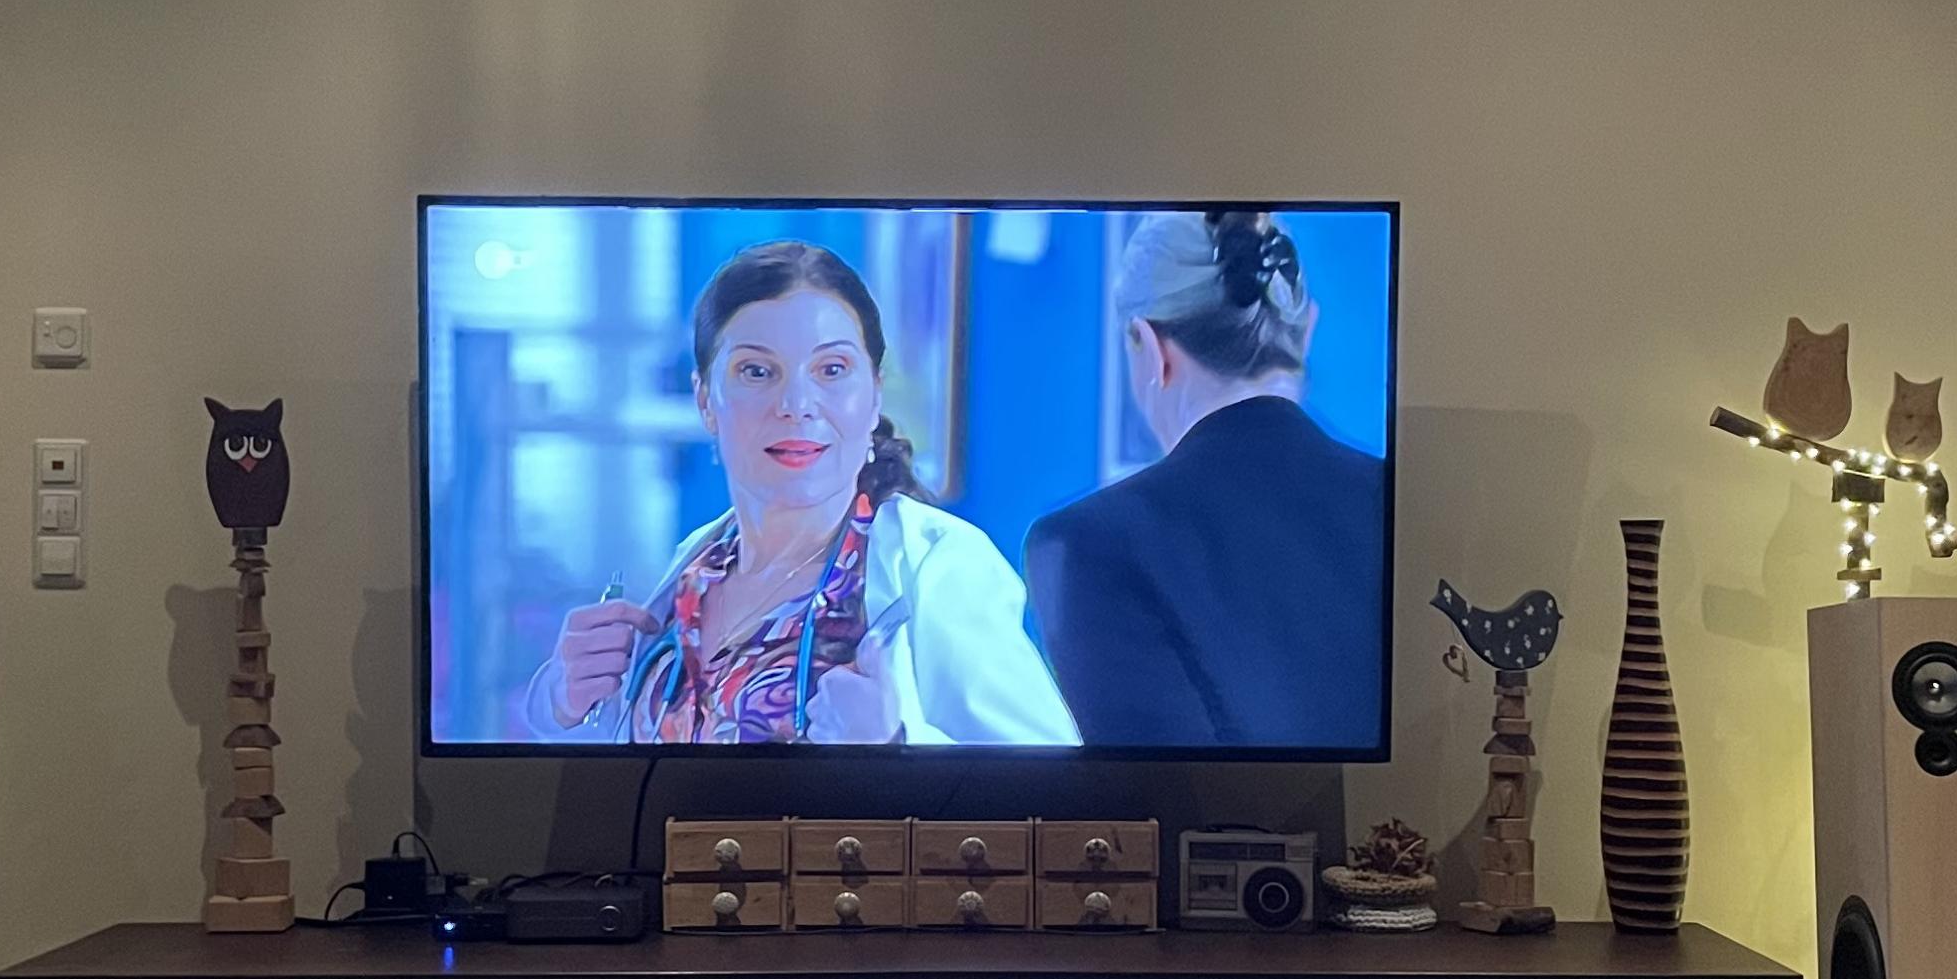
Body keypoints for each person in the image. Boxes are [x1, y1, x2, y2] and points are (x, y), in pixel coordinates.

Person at [521, 241, 1076, 746]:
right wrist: (562, 702)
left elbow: (1052, 793)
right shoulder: (696, 568)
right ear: (706, 400)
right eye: (757, 372)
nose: (796, 405)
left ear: (874, 395)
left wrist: (896, 748)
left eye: (831, 369)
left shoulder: (936, 564)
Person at [1025, 208, 1387, 747]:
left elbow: (1161, 788)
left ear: (1150, 349)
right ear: (1306, 329)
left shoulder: (1084, 545)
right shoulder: (1397, 501)